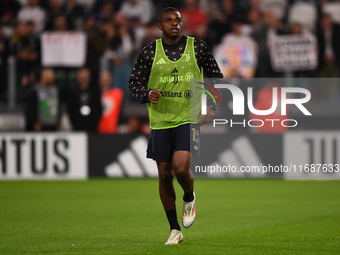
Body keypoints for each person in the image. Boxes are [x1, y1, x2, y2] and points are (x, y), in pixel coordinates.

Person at [128, 7, 223, 245]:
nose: (174, 24)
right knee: (164, 174)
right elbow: (134, 83)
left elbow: (215, 76)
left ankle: (189, 196)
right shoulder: (150, 53)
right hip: (160, 121)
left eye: (178, 20)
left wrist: (210, 104)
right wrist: (147, 93)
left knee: (180, 168)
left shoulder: (197, 47)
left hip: (188, 117)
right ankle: (174, 230)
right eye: (168, 21)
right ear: (159, 26)